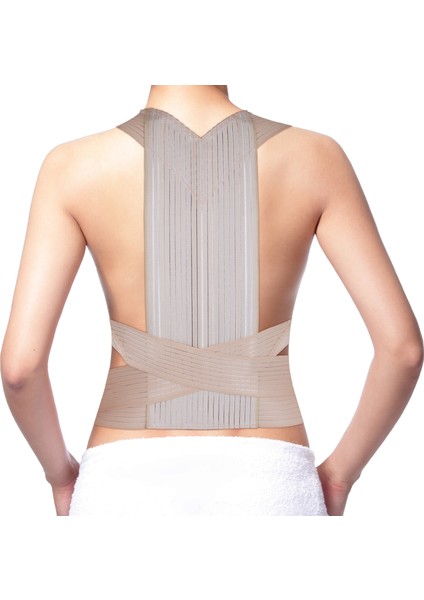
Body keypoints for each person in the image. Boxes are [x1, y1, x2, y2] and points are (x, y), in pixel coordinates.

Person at [1, 85, 422, 516]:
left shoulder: (72, 167)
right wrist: (339, 477)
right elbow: (402, 350)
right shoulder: (314, 158)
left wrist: (61, 476)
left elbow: (20, 370)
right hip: (267, 484)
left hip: (124, 485)